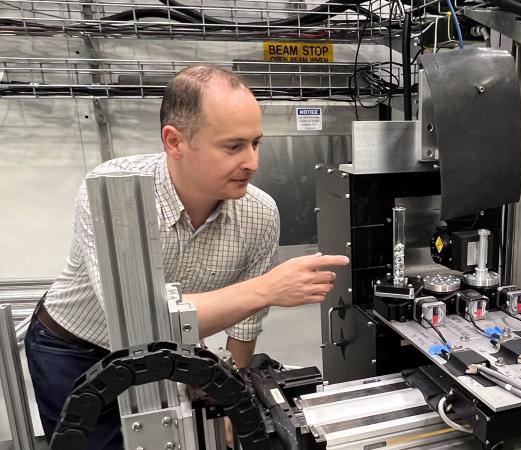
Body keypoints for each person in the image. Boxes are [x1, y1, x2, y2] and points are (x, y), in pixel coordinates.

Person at [24, 64, 349, 450]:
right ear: (175, 141)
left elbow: (244, 327)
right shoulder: (117, 195)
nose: (253, 162)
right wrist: (266, 289)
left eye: (256, 143)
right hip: (75, 348)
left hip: (170, 353)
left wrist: (233, 399)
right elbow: (140, 320)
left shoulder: (260, 212)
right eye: (233, 146)